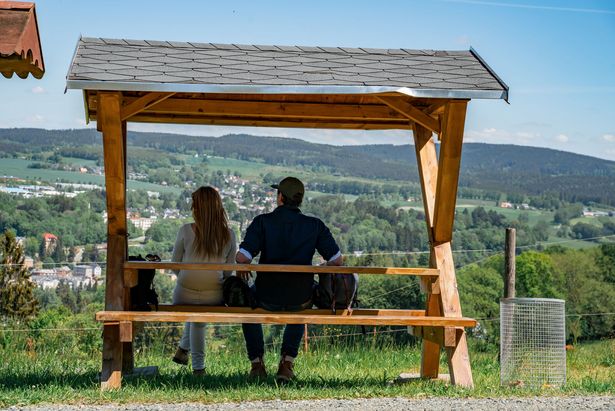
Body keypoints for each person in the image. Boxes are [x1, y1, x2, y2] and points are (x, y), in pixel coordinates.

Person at [235, 176, 342, 382]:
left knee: (248, 307)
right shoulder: (315, 225)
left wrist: (243, 267)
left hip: (266, 295)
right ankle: (286, 364)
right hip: (300, 297)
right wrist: (321, 267)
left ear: (280, 197)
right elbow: (337, 261)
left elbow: (243, 257)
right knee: (301, 306)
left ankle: (257, 364)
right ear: (299, 200)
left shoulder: (262, 222)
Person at [171, 186, 237, 375]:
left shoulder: (185, 230)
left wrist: (187, 280)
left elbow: (174, 265)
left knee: (195, 315)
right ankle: (195, 364)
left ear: (196, 208)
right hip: (214, 295)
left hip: (182, 293)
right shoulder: (229, 235)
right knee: (198, 317)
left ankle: (193, 362)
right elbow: (228, 273)